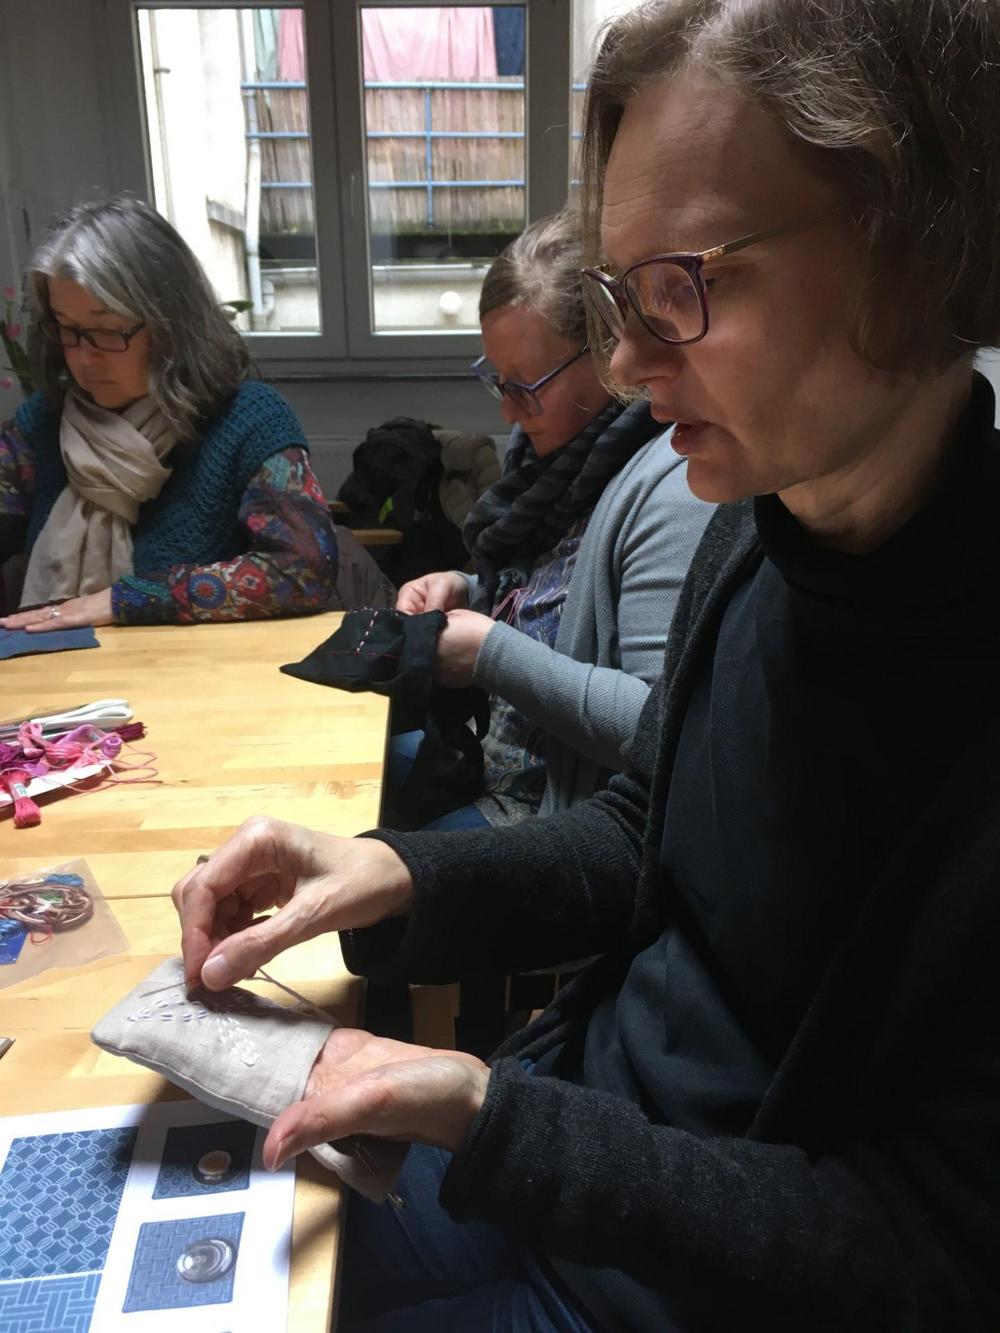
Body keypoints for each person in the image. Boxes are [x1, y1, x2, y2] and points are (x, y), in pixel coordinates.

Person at [171, 0, 1000, 1327]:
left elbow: (925, 1256)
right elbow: (645, 832)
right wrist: (392, 873)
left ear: (920, 242)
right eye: (620, 297)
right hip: (564, 1153)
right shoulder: (757, 536)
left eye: (681, 284)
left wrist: (496, 1119)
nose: (622, 361)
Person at [393, 209, 711, 830]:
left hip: (550, 822)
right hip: (493, 772)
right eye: (498, 383)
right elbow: (555, 605)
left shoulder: (677, 490)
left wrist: (489, 655)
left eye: (525, 387)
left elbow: (660, 728)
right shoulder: (553, 465)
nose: (509, 414)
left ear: (610, 354)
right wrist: (469, 591)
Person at [0, 196, 337, 630]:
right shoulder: (42, 425)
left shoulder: (249, 420)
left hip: (208, 668)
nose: (83, 358)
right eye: (68, 329)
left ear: (170, 325)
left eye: (107, 330)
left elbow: (303, 570)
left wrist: (127, 600)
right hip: (66, 671)